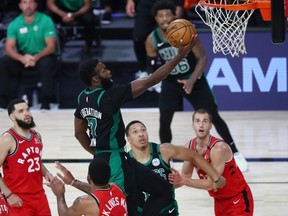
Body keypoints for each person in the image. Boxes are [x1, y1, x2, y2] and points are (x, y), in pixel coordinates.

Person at [72, 37, 207, 216]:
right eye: (104, 70)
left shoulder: (83, 97)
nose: (109, 71)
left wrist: (97, 153)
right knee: (122, 204)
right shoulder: (109, 96)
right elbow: (151, 80)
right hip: (115, 160)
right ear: (95, 78)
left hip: (112, 157)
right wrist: (181, 55)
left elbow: (79, 132)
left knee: (163, 188)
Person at [145, 0, 249, 172]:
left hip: (195, 80)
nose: (164, 18)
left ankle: (236, 153)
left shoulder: (187, 31)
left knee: (213, 116)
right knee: (164, 120)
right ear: (155, 18)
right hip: (171, 82)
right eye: (160, 15)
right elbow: (153, 66)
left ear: (174, 15)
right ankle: (166, 160)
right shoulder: (151, 39)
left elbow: (203, 58)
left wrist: (192, 80)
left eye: (168, 14)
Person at [125, 120, 226, 215]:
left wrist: (216, 177)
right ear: (129, 139)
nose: (141, 134)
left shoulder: (164, 150)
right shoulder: (125, 161)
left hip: (167, 210)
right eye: (135, 132)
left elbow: (194, 156)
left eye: (143, 130)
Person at [168, 109, 254, 216]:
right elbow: (185, 176)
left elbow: (212, 184)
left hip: (238, 199)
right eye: (197, 121)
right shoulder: (189, 146)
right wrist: (168, 183)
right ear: (193, 126)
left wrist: (183, 180)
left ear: (210, 126)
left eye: (205, 121)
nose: (201, 125)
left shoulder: (219, 148)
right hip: (219, 201)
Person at [0, 0, 57, 110]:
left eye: (31, 2)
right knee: (3, 62)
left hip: (42, 55)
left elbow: (51, 47)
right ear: (20, 6)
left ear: (36, 4)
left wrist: (35, 58)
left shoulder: (46, 20)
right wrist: (22, 58)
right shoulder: (14, 24)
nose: (28, 6)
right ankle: (3, 101)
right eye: (25, 2)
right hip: (23, 57)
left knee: (47, 63)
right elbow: (9, 48)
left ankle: (46, 101)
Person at [0, 98, 53, 215]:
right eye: (21, 111)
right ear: (12, 117)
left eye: (27, 109)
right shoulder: (7, 139)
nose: (27, 113)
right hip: (18, 199)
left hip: (40, 196)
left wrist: (46, 173)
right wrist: (8, 195)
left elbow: (36, 160)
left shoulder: (37, 135)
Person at [125, 0, 185, 80]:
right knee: (139, 36)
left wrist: (179, 5)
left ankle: (176, 71)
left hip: (170, 2)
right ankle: (145, 70)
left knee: (173, 33)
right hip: (146, 3)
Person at [50, 157, 128, 216]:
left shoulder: (84, 202)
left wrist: (59, 194)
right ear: (109, 176)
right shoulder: (116, 188)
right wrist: (73, 182)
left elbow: (64, 214)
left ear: (89, 177)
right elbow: (99, 193)